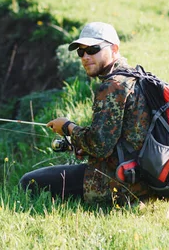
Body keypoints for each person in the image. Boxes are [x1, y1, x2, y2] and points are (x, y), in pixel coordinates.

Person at [19, 22, 152, 205]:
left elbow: (99, 146)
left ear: (114, 48)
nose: (85, 57)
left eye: (93, 49)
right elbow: (117, 138)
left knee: (29, 181)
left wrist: (68, 127)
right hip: (142, 177)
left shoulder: (112, 87)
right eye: (81, 52)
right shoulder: (134, 76)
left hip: (121, 185)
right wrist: (82, 144)